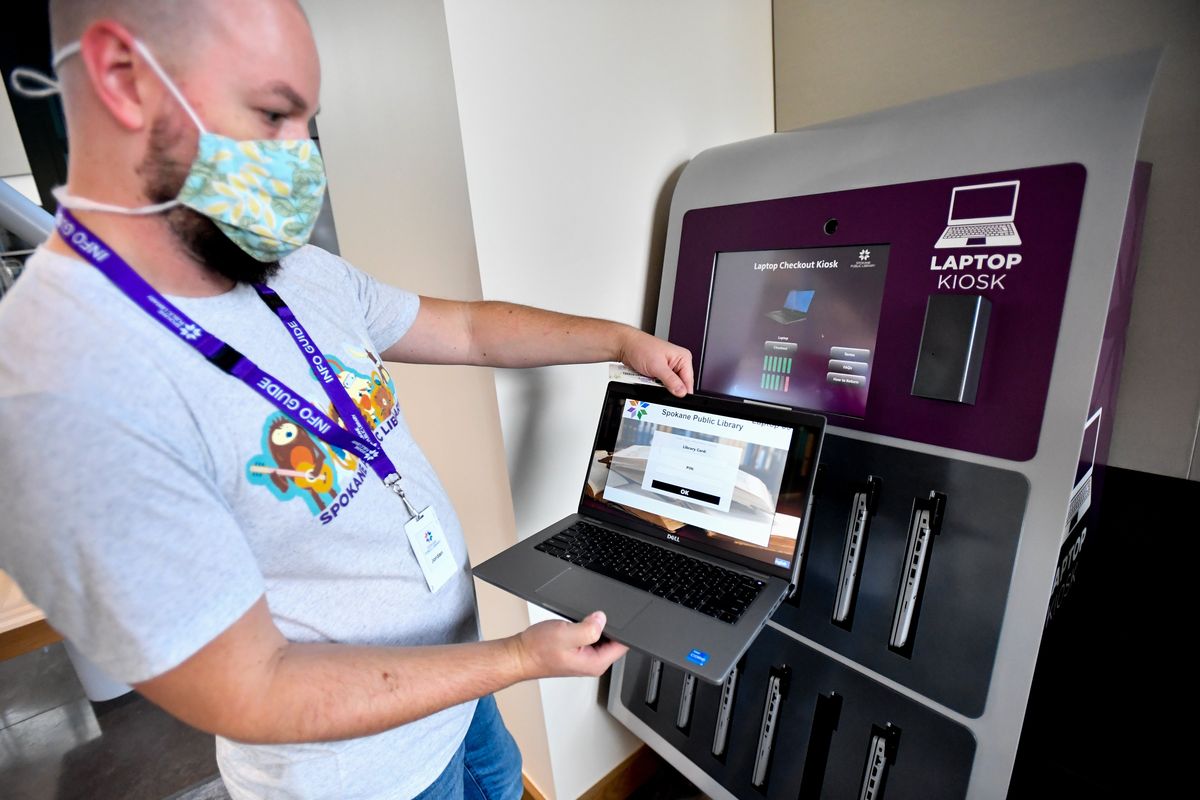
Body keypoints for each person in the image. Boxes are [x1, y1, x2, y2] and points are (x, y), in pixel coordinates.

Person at [0, 1, 694, 798]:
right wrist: (517, 659)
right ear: (126, 81)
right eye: (273, 114)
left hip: (457, 696)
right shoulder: (64, 391)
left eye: (308, 124)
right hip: (365, 773)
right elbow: (253, 687)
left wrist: (618, 340)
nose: (303, 160)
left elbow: (465, 330)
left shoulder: (291, 269)